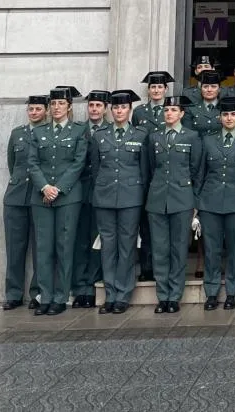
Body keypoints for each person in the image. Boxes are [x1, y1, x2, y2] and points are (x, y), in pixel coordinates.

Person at [27, 86, 87, 316]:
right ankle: (45, 296)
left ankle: (61, 296)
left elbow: (78, 163)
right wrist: (44, 186)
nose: (56, 108)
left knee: (64, 247)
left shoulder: (78, 131)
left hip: (68, 196)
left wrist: (58, 188)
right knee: (43, 249)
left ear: (69, 107)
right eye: (53, 104)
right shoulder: (38, 132)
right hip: (41, 196)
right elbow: (32, 163)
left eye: (61, 104)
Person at [91, 90, 149, 314]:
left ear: (129, 110)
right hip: (104, 196)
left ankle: (123, 294)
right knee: (108, 247)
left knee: (126, 246)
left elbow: (144, 170)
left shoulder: (140, 134)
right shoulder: (99, 135)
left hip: (131, 197)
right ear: (110, 110)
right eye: (115, 108)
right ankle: (110, 293)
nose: (119, 111)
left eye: (123, 108)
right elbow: (95, 168)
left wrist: (141, 198)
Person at [198, 97, 235, 311]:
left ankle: (232, 292)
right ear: (219, 117)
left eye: (233, 114)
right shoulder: (207, 140)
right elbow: (200, 173)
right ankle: (212, 292)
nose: (229, 118)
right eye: (225, 114)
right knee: (212, 250)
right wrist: (197, 202)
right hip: (210, 202)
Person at [146, 94, 203, 314]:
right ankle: (163, 295)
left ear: (181, 114)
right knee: (160, 250)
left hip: (183, 198)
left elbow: (197, 170)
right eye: (166, 111)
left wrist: (195, 201)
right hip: (158, 198)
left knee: (179, 249)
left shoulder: (192, 137)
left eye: (173, 110)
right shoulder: (154, 137)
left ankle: (175, 296)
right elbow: (151, 167)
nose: (169, 114)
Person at [1, 95, 47, 310]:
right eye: (31, 109)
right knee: (14, 248)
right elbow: (13, 163)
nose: (34, 112)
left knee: (41, 248)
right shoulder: (17, 133)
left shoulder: (48, 133)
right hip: (16, 196)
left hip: (39, 197)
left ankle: (37, 292)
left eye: (38, 109)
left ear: (45, 111)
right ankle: (13, 294)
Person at [133, 70, 175, 281]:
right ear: (148, 90)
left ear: (166, 89)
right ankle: (147, 266)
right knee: (146, 224)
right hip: (143, 169)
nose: (156, 90)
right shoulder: (139, 112)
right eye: (153, 87)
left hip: (164, 169)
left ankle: (165, 268)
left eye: (160, 87)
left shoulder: (171, 110)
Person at [71, 89, 111, 309]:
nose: (94, 109)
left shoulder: (109, 130)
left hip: (103, 192)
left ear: (105, 109)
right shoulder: (78, 129)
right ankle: (81, 288)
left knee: (98, 240)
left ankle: (94, 283)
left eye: (98, 106)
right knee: (81, 240)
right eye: (91, 106)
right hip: (80, 191)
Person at [183, 70, 224, 137]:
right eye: (205, 86)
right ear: (201, 89)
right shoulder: (191, 109)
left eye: (213, 86)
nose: (209, 90)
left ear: (219, 89)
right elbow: (187, 135)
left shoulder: (226, 109)